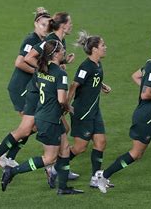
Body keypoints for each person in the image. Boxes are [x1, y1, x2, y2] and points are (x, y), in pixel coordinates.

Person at [96, 34, 151, 197]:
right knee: (136, 154)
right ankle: (104, 176)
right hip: (145, 118)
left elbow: (136, 76)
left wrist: (146, 88)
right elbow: (145, 96)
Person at [1, 40, 84, 195]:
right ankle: (12, 171)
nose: (64, 51)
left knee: (65, 149)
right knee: (49, 159)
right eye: (62, 50)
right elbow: (61, 99)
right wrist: (68, 107)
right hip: (50, 119)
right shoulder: (61, 74)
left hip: (46, 115)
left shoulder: (40, 69)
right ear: (56, 53)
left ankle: (63, 187)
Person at [23, 11, 79, 186]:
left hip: (47, 103)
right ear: (63, 25)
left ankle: (61, 172)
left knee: (64, 130)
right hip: (47, 103)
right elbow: (27, 58)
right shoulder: (51, 42)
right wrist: (45, 70)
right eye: (69, 22)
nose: (71, 25)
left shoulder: (58, 43)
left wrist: (60, 65)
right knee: (29, 134)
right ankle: (7, 162)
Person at [0, 7, 50, 168]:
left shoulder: (45, 40)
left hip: (31, 89)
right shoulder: (31, 40)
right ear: (36, 23)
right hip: (20, 89)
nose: (46, 28)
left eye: (49, 25)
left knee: (32, 126)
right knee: (30, 126)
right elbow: (19, 62)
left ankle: (7, 154)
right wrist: (40, 73)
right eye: (43, 24)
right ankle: (0, 151)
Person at [67, 31, 114, 188]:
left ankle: (95, 178)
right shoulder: (85, 66)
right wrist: (66, 104)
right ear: (94, 49)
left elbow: (92, 79)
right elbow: (74, 85)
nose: (105, 47)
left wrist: (101, 85)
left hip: (94, 110)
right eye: (102, 45)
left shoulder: (97, 64)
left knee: (101, 142)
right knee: (80, 147)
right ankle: (56, 167)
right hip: (83, 112)